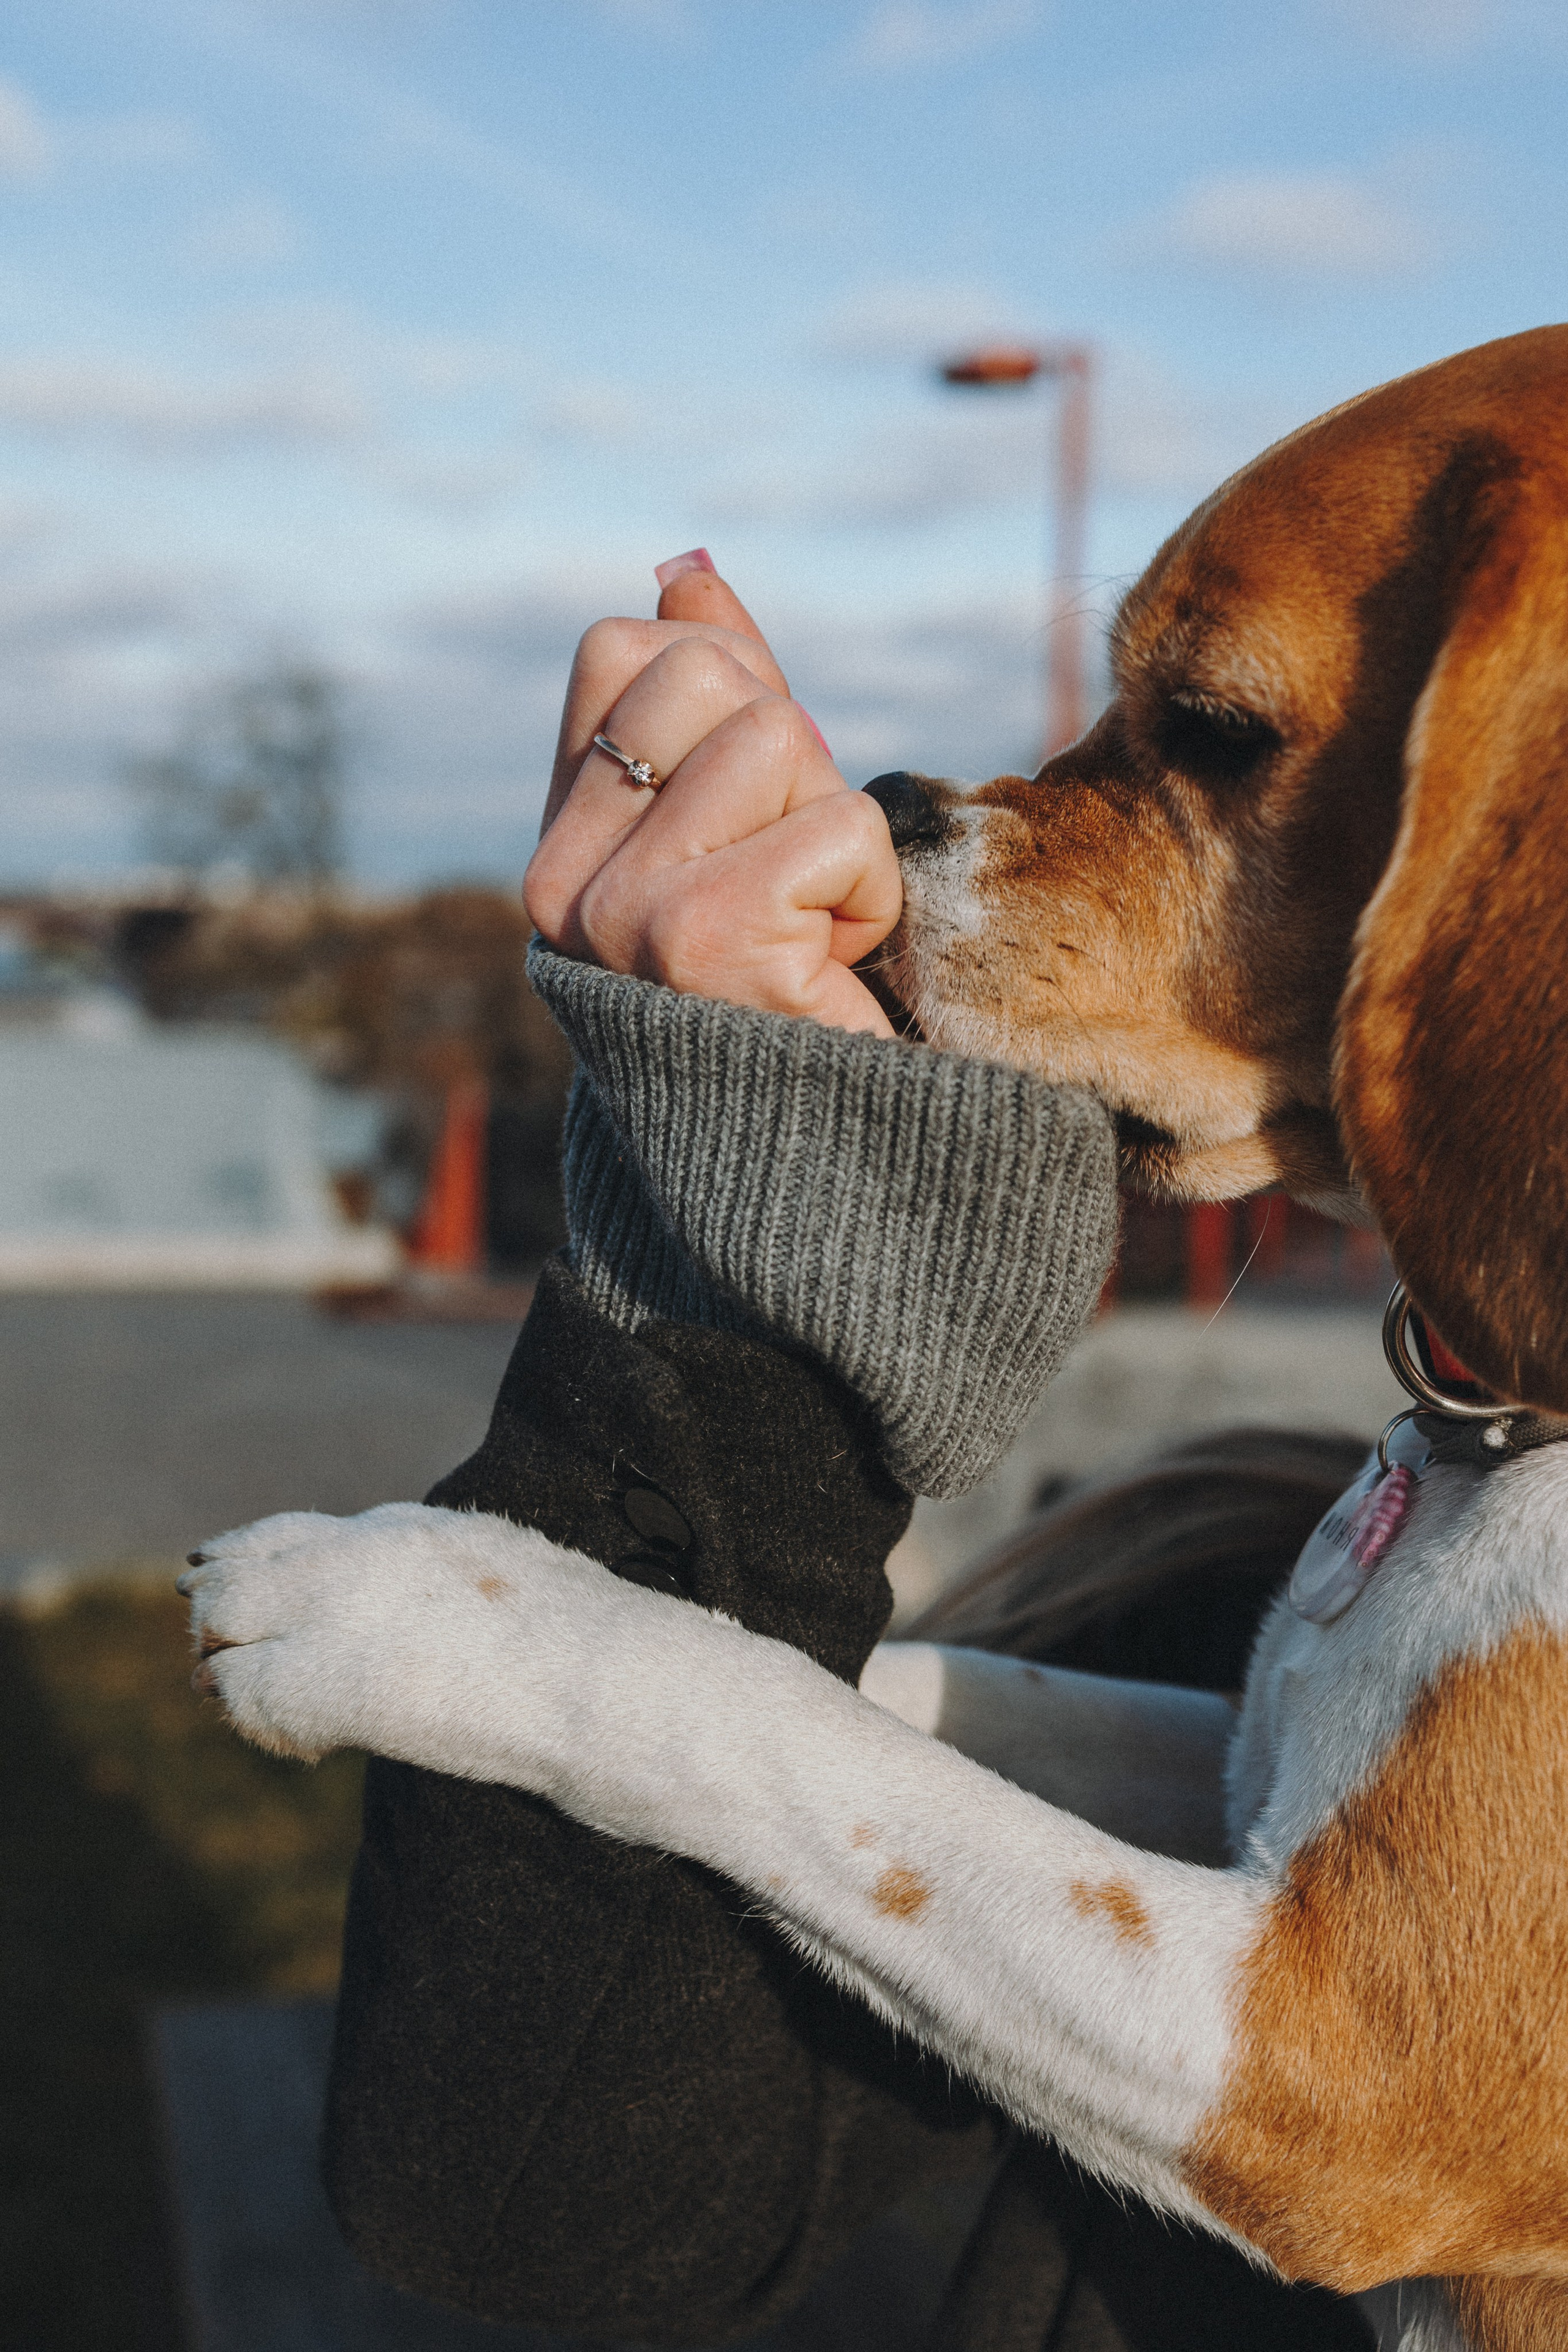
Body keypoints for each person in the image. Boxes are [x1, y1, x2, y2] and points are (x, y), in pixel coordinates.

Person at [316, 554, 1374, 2351]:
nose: (1004, 807)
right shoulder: (1236, 1594)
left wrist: (632, 1701)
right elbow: (537, 2200)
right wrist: (758, 1282)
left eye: (1207, 734)